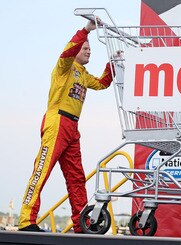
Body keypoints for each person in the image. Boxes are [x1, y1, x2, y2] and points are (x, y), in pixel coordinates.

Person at [18, 17, 115, 233]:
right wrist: (86, 30)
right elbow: (67, 52)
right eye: (85, 48)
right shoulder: (64, 66)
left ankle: (82, 223)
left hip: (72, 127)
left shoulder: (83, 74)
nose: (89, 51)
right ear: (76, 49)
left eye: (90, 49)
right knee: (42, 170)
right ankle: (26, 220)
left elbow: (101, 84)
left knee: (76, 177)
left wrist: (113, 64)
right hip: (57, 122)